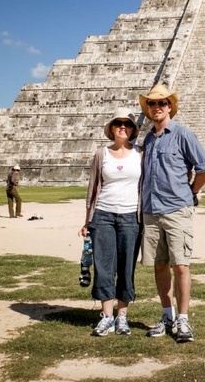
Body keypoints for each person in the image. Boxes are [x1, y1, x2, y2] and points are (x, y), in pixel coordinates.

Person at [139, 84, 205, 343]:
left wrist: (191, 192)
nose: (156, 107)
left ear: (169, 106)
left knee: (180, 265)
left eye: (162, 103)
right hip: (151, 210)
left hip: (176, 209)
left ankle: (183, 319)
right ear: (148, 109)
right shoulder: (148, 139)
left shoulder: (183, 135)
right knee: (159, 265)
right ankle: (167, 315)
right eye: (152, 103)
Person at [80, 107, 143, 337]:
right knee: (104, 266)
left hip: (131, 217)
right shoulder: (101, 154)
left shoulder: (141, 153)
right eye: (118, 123)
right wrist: (87, 220)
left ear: (133, 129)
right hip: (103, 215)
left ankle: (122, 316)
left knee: (126, 267)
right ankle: (107, 316)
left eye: (127, 124)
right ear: (112, 127)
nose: (122, 127)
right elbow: (92, 188)